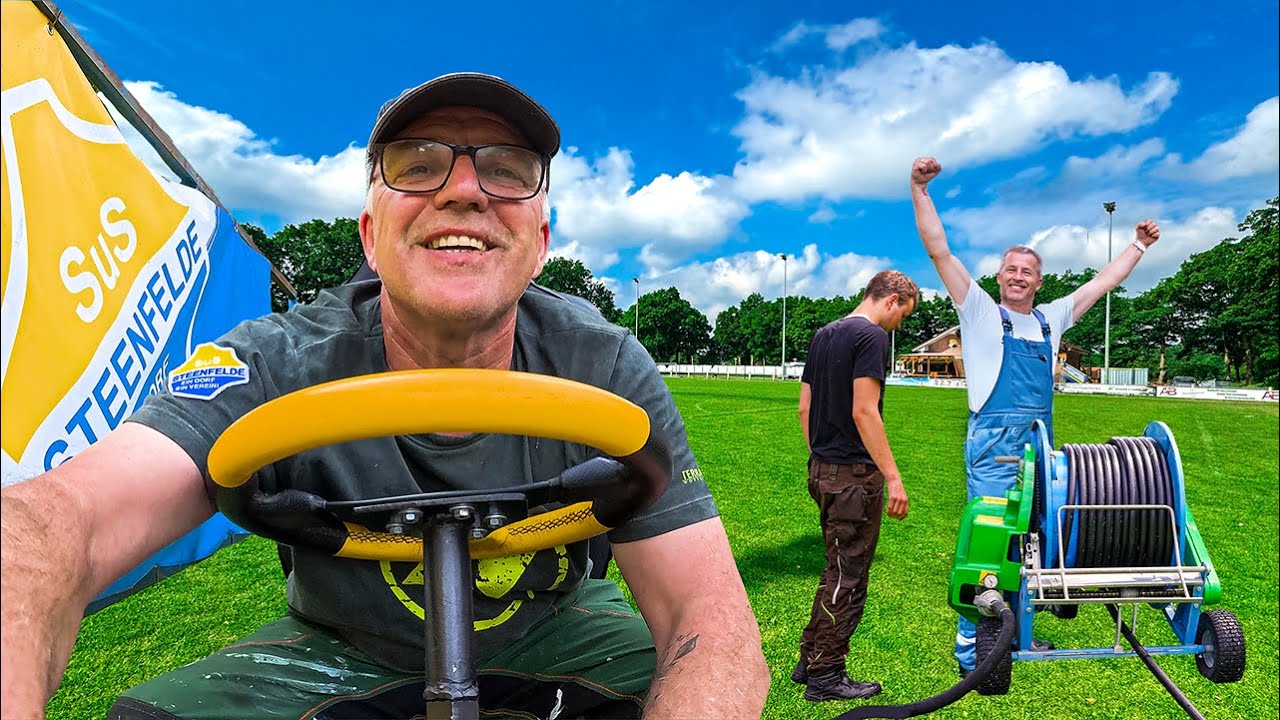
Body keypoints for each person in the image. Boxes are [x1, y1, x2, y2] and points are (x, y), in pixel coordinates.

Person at [1, 72, 769, 720]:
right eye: (417, 162)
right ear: (370, 236)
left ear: (541, 241)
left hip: (558, 624)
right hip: (337, 643)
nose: (465, 190)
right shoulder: (275, 357)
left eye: (506, 170)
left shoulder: (604, 360)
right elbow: (72, 518)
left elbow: (706, 614)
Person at [909, 156, 1162, 676]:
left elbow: (1101, 284)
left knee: (1033, 541)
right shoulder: (979, 312)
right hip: (993, 442)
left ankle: (1014, 632)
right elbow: (939, 250)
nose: (1019, 276)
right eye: (1011, 269)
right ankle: (970, 647)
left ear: (1039, 281)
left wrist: (1138, 244)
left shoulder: (1051, 319)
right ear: (998, 277)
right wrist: (920, 189)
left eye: (1028, 271)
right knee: (992, 540)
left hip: (1037, 445)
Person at [792, 270, 917, 702]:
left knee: (834, 569)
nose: (899, 324)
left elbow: (804, 408)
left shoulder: (823, 334)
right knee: (849, 576)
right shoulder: (871, 339)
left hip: (823, 470)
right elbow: (865, 412)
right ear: (892, 299)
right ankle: (827, 675)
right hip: (854, 478)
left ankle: (809, 658)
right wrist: (893, 477)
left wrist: (821, 460)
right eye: (903, 313)